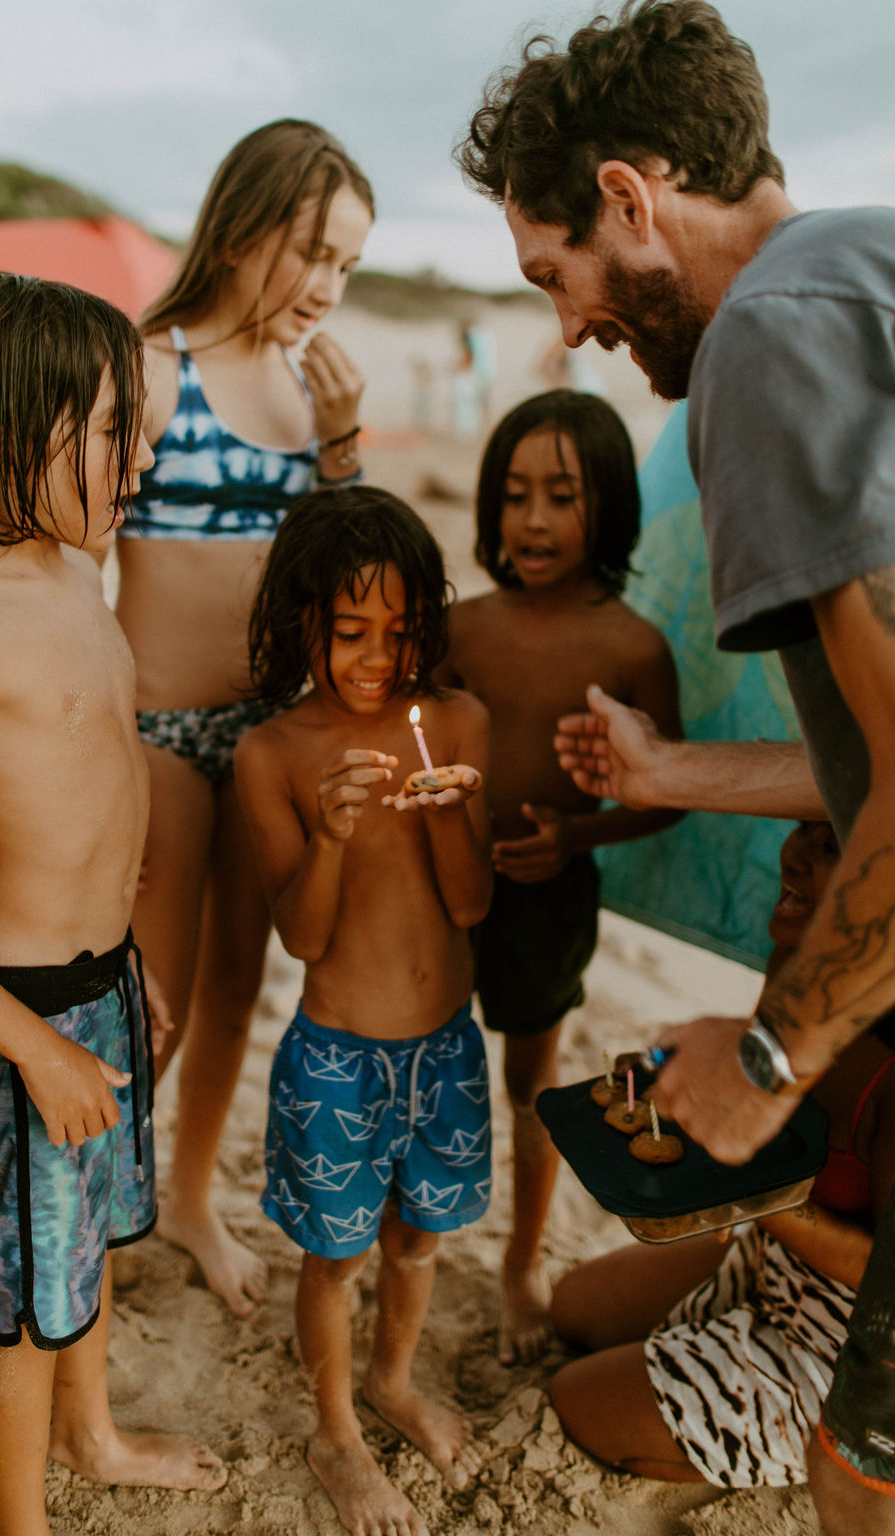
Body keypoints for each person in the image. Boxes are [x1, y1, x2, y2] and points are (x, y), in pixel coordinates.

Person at [459, 1, 895, 1526]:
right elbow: (871, 764)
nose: (572, 327)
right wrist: (666, 774)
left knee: (863, 1469)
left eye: (558, 273)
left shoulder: (765, 342)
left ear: (635, 201)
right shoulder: (867, 262)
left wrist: (769, 1058)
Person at [0, 272, 224, 1536]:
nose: (145, 453)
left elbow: (97, 781)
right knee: (25, 1305)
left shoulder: (80, 572)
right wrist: (32, 1047)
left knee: (91, 1247)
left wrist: (132, 970)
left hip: (103, 989)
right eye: (114, 431)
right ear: (2, 445)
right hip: (17, 1017)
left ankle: (94, 1432)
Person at [115, 120, 374, 1315]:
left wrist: (342, 451)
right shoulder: (150, 368)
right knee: (150, 1001)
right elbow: (70, 564)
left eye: (347, 264)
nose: (325, 283)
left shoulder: (303, 385)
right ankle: (96, 1203)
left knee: (232, 992)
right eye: (310, 249)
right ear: (240, 225)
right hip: (158, 737)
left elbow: (347, 568)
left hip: (266, 740)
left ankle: (186, 1194)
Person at [234, 486, 491, 1536]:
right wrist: (335, 835)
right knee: (334, 1256)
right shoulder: (272, 755)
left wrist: (444, 813)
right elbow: (300, 935)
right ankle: (334, 1429)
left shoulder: (461, 722)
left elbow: (471, 902)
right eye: (351, 633)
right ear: (305, 625)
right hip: (337, 1058)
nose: (379, 656)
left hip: (446, 1053)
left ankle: (392, 1380)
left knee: (420, 1239)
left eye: (402, 630)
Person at [441, 390, 681, 1364]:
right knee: (414, 1053)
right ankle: (406, 1227)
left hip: (548, 893)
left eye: (561, 496)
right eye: (514, 494)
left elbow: (664, 798)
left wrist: (574, 837)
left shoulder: (632, 647)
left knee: (532, 1085)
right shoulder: (457, 626)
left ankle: (521, 1258)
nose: (533, 519)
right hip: (435, 889)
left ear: (610, 507)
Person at [547, 820, 895, 1487]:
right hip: (771, 1262)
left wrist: (759, 1201)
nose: (792, 854)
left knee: (577, 1402)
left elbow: (885, 1280)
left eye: (830, 847)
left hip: (856, 1339)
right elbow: (753, 1102)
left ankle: (812, 1449)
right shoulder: (798, 960)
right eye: (803, 827)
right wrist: (666, 1088)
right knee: (572, 1310)